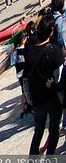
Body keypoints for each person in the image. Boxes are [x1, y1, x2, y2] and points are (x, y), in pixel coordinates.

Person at [26, 18, 64, 155]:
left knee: (38, 131)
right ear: (51, 31)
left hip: (37, 100)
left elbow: (26, 81)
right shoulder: (54, 51)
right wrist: (56, 88)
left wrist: (29, 101)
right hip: (52, 97)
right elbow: (60, 76)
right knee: (53, 130)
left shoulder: (30, 53)